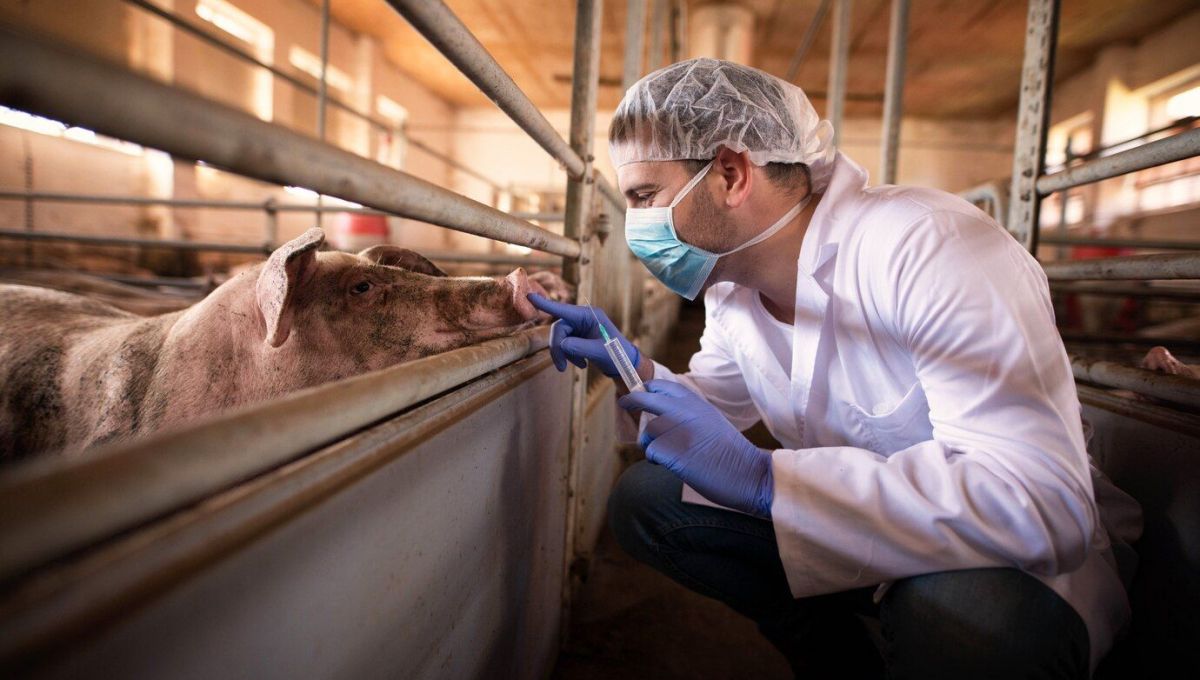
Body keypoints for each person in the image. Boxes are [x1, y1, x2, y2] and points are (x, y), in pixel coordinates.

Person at [528, 58, 1140, 679]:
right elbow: (710, 408)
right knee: (649, 500)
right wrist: (630, 369)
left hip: (1002, 559)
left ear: (732, 173)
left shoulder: (929, 245)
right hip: (855, 525)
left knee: (967, 621)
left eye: (644, 197)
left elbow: (1042, 504)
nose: (636, 227)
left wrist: (765, 479)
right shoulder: (733, 291)